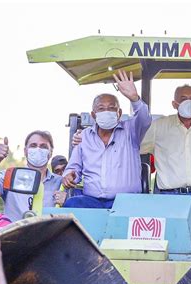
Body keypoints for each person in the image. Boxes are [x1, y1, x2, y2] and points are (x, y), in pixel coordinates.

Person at [62, 70, 152, 208]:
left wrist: (135, 99)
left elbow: (145, 119)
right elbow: (73, 167)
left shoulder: (131, 131)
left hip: (126, 203)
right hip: (92, 201)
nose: (107, 112)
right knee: (72, 204)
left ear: (119, 113)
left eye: (111, 108)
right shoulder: (83, 137)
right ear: (93, 114)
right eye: (101, 108)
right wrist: (69, 175)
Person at [0, 131, 66, 221]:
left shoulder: (61, 183)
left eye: (43, 146)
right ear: (25, 151)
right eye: (33, 145)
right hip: (14, 233)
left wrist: (67, 202)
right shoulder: (10, 176)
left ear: (51, 152)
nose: (38, 149)